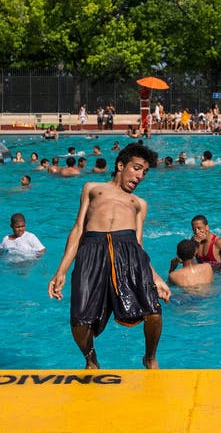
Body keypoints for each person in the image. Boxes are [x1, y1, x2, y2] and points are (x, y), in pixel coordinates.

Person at [47, 143, 170, 369]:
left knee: (153, 312)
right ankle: (91, 360)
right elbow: (78, 230)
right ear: (121, 165)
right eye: (136, 168)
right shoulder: (93, 188)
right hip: (92, 250)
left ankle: (150, 358)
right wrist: (61, 271)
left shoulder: (139, 203)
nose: (140, 175)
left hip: (129, 252)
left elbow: (139, 244)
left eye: (145, 172)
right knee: (79, 320)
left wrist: (156, 277)